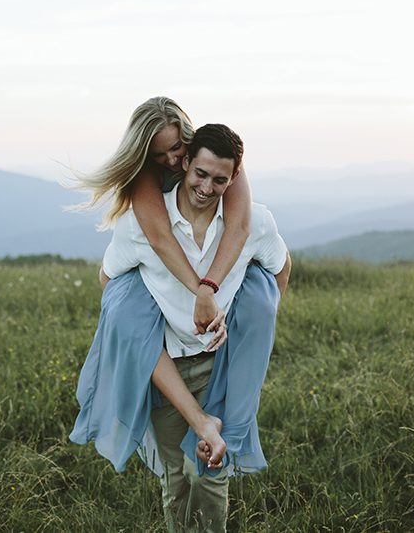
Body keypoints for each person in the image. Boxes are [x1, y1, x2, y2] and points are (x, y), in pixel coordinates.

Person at [96, 123, 291, 532]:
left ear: (234, 177)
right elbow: (109, 281)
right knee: (177, 476)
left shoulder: (255, 223)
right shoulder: (141, 225)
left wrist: (247, 326)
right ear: (184, 162)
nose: (206, 186)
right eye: (200, 174)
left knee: (206, 470)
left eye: (220, 179)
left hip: (220, 366)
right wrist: (138, 324)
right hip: (167, 369)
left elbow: (280, 268)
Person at [67, 97, 253, 467]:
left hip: (190, 277)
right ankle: (197, 420)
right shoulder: (144, 176)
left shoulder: (217, 156)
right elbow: (160, 239)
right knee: (131, 323)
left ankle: (202, 423)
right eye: (158, 154)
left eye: (175, 148)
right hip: (133, 273)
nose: (170, 160)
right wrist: (201, 291)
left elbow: (240, 226)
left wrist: (209, 288)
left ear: (188, 137)